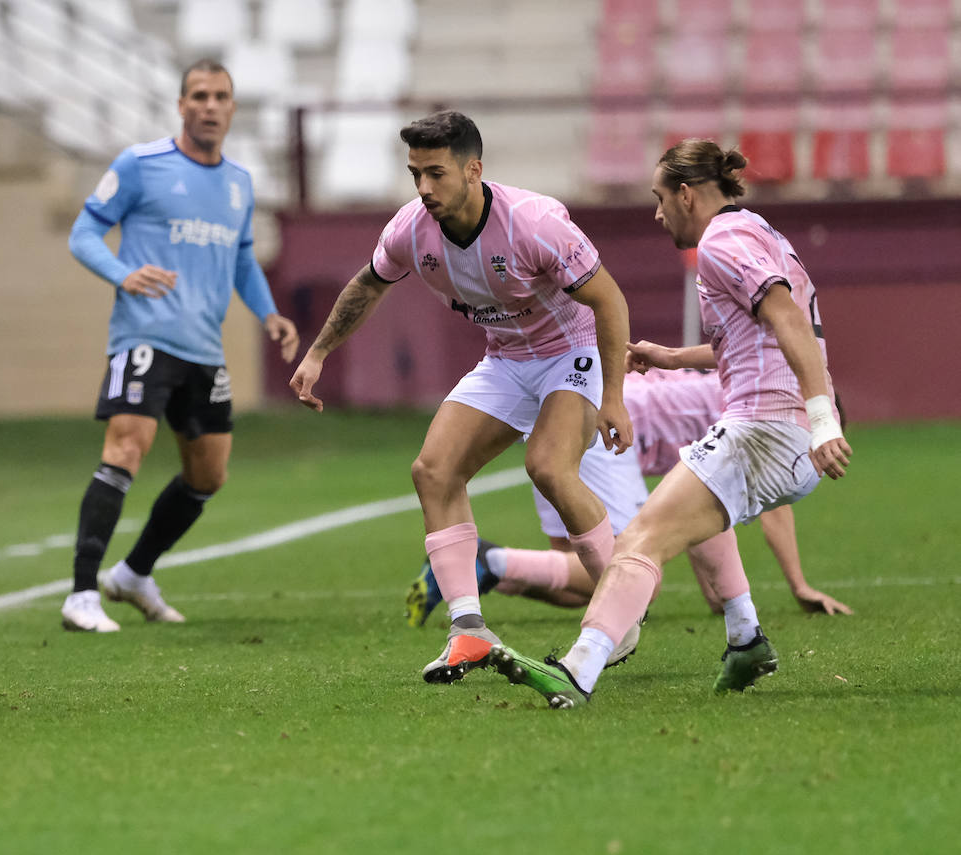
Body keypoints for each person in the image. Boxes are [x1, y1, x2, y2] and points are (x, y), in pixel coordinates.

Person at [494, 140, 852, 708]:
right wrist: (671, 358)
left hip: (769, 430)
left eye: (660, 199)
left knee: (638, 539)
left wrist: (820, 417)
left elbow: (785, 318)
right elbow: (754, 338)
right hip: (779, 433)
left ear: (687, 194)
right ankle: (745, 638)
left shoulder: (722, 242)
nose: (657, 214)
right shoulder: (760, 231)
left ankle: (577, 670)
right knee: (694, 503)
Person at [289, 110, 634, 685]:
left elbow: (611, 300)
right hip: (506, 359)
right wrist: (319, 352)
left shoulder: (535, 222)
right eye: (415, 174)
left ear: (474, 170)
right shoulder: (411, 229)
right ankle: (469, 629)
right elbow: (368, 284)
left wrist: (615, 395)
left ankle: (621, 606)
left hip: (571, 352)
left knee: (548, 466)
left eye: (437, 174)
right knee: (433, 471)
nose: (424, 188)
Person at [61, 58, 299, 632]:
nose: (210, 106)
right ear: (181, 105)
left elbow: (241, 256)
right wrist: (123, 274)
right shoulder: (140, 165)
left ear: (232, 108)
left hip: (204, 349)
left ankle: (134, 574)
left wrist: (269, 313)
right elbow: (83, 232)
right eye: (199, 95)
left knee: (208, 475)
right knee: (125, 448)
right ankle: (81, 594)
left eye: (221, 96)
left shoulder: (239, 182)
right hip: (144, 336)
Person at [405, 368, 852, 625]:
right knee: (631, 578)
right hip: (609, 431)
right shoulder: (762, 416)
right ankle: (488, 560)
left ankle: (468, 569)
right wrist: (795, 586)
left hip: (573, 413)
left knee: (575, 585)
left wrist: (720, 590)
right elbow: (719, 505)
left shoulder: (751, 387)